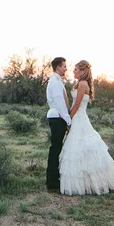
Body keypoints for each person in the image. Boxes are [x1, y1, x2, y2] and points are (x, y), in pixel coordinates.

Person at [59, 60, 114, 196]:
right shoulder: (81, 83)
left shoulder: (83, 84)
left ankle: (89, 183)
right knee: (79, 149)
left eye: (76, 69)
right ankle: (84, 183)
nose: (74, 71)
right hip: (78, 117)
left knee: (80, 148)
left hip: (79, 117)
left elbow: (76, 105)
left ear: (83, 71)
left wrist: (68, 120)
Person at [45, 56, 71, 192]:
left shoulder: (57, 81)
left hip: (58, 117)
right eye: (64, 66)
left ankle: (54, 179)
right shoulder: (55, 82)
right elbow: (60, 104)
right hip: (57, 118)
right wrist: (68, 120)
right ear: (58, 67)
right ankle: (52, 182)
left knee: (56, 148)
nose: (66, 68)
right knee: (55, 149)